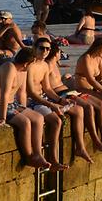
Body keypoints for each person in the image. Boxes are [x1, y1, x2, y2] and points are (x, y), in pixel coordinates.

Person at [0, 48, 52, 170]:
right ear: (26, 63)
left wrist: (24, 109)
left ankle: (38, 154)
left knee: (38, 118)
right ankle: (29, 157)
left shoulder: (23, 72)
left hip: (12, 105)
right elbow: (5, 94)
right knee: (25, 122)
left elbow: (22, 93)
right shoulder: (9, 67)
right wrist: (3, 118)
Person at [46, 41, 102, 153]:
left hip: (68, 91)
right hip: (62, 94)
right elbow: (46, 88)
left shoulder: (54, 64)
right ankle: (95, 141)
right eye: (60, 52)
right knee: (88, 108)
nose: (61, 54)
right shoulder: (48, 66)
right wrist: (59, 100)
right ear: (56, 53)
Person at [23, 38, 72, 170]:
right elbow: (31, 93)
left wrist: (60, 100)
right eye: (42, 48)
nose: (45, 51)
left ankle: (54, 157)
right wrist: (51, 105)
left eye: (48, 49)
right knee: (56, 121)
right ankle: (53, 159)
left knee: (72, 109)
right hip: (31, 101)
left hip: (43, 98)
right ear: (34, 48)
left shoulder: (45, 65)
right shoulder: (29, 66)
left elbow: (48, 89)